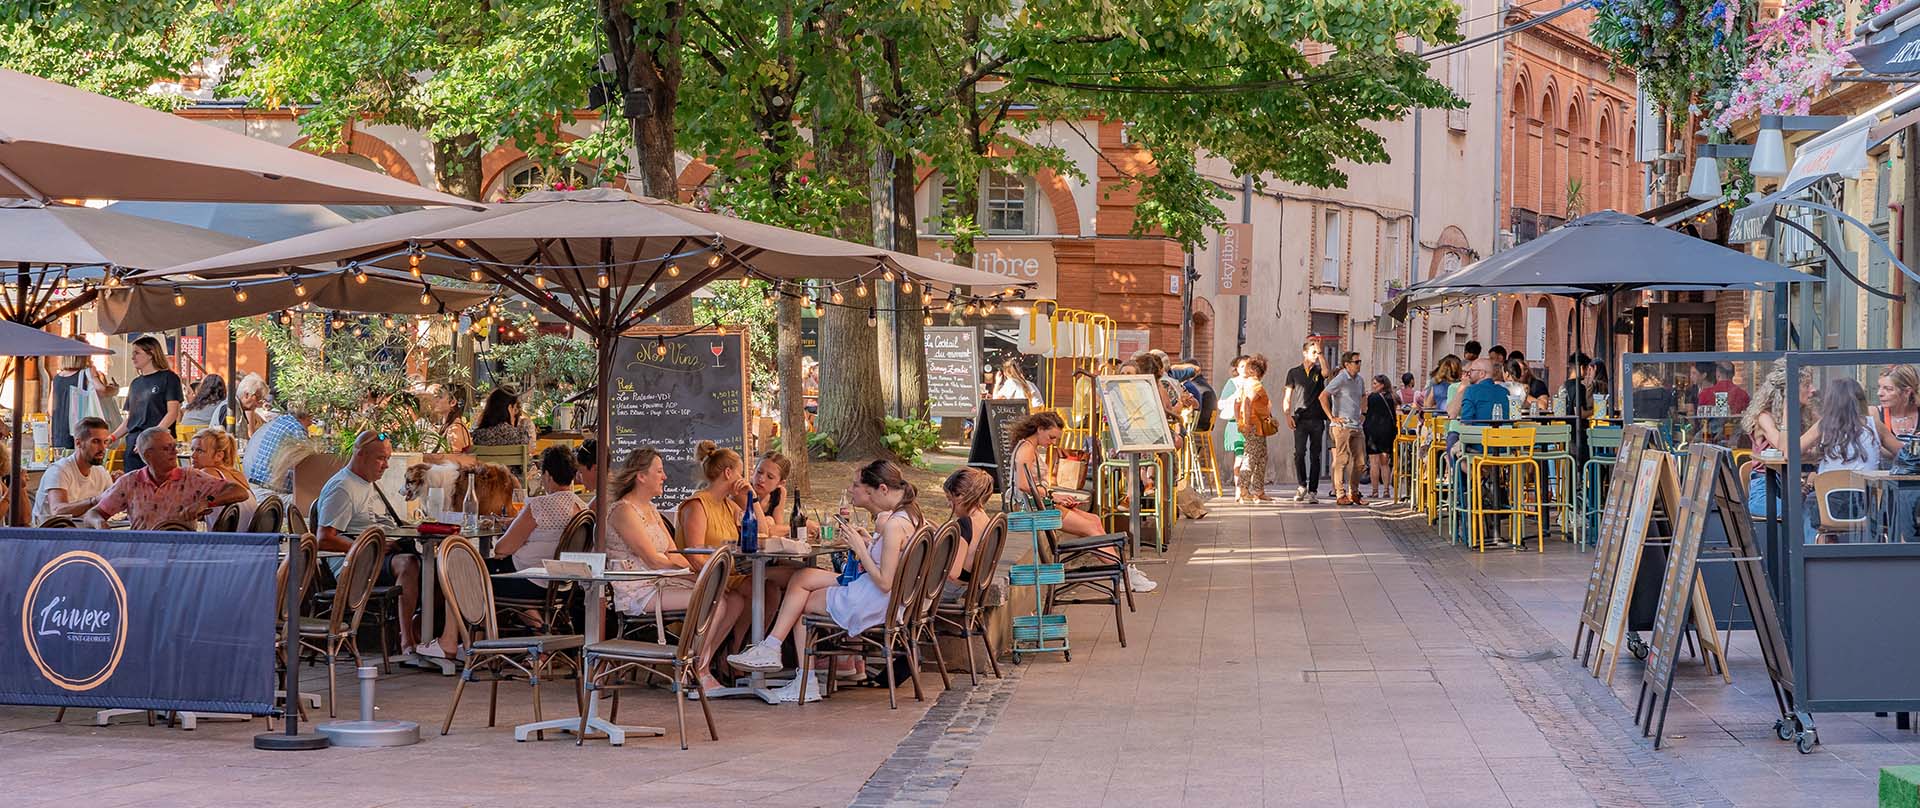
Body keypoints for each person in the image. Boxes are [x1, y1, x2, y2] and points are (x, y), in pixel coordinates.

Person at [725, 460, 923, 700]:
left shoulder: (894, 525)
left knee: (803, 604)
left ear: (882, 489)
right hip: (890, 598)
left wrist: (860, 549)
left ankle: (802, 678)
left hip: (876, 600)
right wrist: (871, 544)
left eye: (866, 491)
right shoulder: (912, 516)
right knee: (802, 576)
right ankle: (773, 650)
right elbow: (892, 561)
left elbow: (884, 581)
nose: (859, 494)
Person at [605, 446, 744, 698]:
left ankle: (699, 663)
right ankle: (696, 672)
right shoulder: (623, 511)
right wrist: (698, 572)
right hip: (639, 588)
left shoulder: (651, 510)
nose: (665, 476)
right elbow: (653, 559)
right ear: (641, 476)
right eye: (659, 471)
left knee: (733, 599)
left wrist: (702, 572)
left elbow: (673, 553)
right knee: (715, 601)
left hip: (662, 582)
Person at [1009, 410, 1158, 592]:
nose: (1052, 443)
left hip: (1041, 504)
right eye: (1051, 437)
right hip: (1034, 509)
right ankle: (1120, 572)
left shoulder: (1029, 447)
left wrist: (1054, 496)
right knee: (1089, 528)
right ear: (1039, 429)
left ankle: (1121, 568)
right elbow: (1023, 484)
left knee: (1094, 521)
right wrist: (1052, 495)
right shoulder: (1026, 449)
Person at [315, 432, 424, 655]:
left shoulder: (367, 483)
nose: (386, 465)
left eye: (388, 459)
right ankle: (407, 641)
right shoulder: (343, 488)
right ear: (361, 455)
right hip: (353, 564)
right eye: (381, 458)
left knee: (437, 565)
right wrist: (368, 546)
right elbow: (324, 538)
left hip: (374, 555)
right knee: (408, 564)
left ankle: (422, 630)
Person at [483, 446, 587, 607]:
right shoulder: (583, 508)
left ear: (547, 475)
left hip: (529, 581)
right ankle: (538, 625)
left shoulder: (540, 505)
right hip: (565, 585)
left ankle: (464, 631)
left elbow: (501, 549)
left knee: (471, 570)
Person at [85, 427, 248, 530]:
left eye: (174, 447)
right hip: (141, 554)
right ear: (149, 455)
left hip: (182, 554)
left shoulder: (191, 477)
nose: (174, 452)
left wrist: (206, 501)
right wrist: (100, 523)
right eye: (166, 448)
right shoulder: (129, 482)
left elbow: (239, 491)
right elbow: (94, 513)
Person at [109, 336, 183, 473]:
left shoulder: (169, 378)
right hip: (134, 442)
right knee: (134, 484)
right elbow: (131, 419)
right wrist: (112, 437)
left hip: (159, 443)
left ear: (151, 354)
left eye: (137, 353)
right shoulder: (135, 383)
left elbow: (172, 413)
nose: (133, 358)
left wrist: (151, 438)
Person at [33, 416, 113, 525]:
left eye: (105, 442)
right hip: (50, 535)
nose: (103, 448)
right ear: (78, 443)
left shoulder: (101, 472)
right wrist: (94, 500)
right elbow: (57, 510)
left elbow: (113, 501)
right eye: (96, 441)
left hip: (82, 533)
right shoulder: (59, 470)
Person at [1801, 377, 1890, 475]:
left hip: (1829, 488)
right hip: (1865, 488)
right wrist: (1876, 449)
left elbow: (1792, 451)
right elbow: (1902, 453)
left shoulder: (1824, 424)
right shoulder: (1873, 425)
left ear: (1831, 401)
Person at [677, 440, 746, 561]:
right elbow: (695, 557)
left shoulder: (730, 505)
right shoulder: (697, 505)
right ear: (728, 473)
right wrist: (722, 578)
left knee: (785, 573)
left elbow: (760, 534)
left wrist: (752, 497)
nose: (742, 479)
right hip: (707, 577)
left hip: (729, 573)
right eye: (740, 474)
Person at [1280, 340, 1328, 503]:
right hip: (1300, 419)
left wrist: (1321, 353)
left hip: (1317, 420)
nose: (1316, 356)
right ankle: (1302, 485)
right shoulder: (1294, 372)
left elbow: (1327, 373)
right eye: (1313, 353)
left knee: (1316, 455)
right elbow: (1287, 396)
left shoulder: (1319, 370)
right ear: (1305, 353)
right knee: (1299, 453)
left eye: (1317, 353)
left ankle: (1313, 491)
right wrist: (1287, 415)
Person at [938, 467, 994, 600]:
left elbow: (953, 573)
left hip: (952, 590)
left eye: (949, 498)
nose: (948, 505)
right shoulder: (986, 520)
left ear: (961, 497)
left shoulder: (965, 525)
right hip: (974, 585)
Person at [1319, 351, 1366, 506]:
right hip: (1342, 425)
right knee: (1342, 459)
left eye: (1360, 361)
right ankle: (1340, 493)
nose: (1359, 364)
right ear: (1347, 364)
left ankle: (1354, 492)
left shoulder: (1359, 380)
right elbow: (1323, 396)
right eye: (1356, 362)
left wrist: (1363, 413)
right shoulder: (1340, 378)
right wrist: (1332, 417)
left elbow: (1364, 396)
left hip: (1356, 425)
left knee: (1360, 462)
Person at [190, 427, 257, 529]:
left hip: (230, 541)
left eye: (199, 451)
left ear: (219, 456)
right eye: (192, 450)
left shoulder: (207, 472)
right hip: (249, 539)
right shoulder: (237, 474)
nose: (192, 455)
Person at [47, 356, 117, 451]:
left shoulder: (56, 379)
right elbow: (102, 390)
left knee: (63, 463)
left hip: (59, 434)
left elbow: (51, 410)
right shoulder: (86, 374)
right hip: (80, 432)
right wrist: (115, 389)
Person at [1233, 355, 1275, 504]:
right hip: (1255, 426)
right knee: (1250, 458)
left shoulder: (1245, 384)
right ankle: (1244, 490)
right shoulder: (1255, 385)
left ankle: (1258, 490)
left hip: (1256, 426)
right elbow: (1247, 402)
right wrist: (1246, 422)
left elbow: (1237, 403)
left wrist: (1240, 420)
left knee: (1261, 457)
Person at [243, 401, 313, 488]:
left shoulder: (280, 420)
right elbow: (307, 466)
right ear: (308, 417)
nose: (311, 424)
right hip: (268, 490)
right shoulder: (296, 429)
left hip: (252, 481)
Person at [749, 451, 807, 536]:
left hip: (765, 545)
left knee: (770, 520)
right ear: (753, 471)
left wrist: (775, 527)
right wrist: (800, 526)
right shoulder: (745, 491)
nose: (761, 479)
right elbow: (762, 530)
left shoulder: (779, 493)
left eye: (770, 477)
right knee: (769, 520)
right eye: (759, 472)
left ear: (780, 483)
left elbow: (777, 529)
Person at [1216, 356, 1248, 498]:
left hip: (1252, 424)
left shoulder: (1254, 383)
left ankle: (1245, 488)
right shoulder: (1232, 383)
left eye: (1248, 366)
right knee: (1240, 456)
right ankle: (1238, 488)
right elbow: (1221, 404)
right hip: (1236, 424)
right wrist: (1236, 394)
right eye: (1242, 366)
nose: (1245, 369)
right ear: (1237, 369)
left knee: (1250, 459)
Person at [1364, 375, 1398, 501]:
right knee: (1385, 463)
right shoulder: (1392, 397)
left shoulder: (1372, 397)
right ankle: (1386, 491)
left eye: (1375, 384)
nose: (1373, 386)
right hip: (1387, 431)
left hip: (1373, 431)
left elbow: (1365, 410)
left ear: (1382, 385)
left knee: (1374, 463)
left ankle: (1374, 491)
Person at [1875, 365, 1920, 450]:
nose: (1879, 393)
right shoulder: (1874, 414)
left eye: (1888, 389)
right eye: (1879, 387)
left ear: (1907, 392)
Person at [1451, 358, 1510, 423]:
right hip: (1504, 432)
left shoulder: (1471, 390)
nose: (1468, 374)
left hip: (1478, 432)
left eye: (1472, 370)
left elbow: (1466, 421)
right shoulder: (1505, 391)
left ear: (1482, 373)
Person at [424, 383, 471, 453]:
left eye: (440, 397)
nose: (436, 400)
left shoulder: (455, 429)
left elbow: (455, 459)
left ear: (453, 402)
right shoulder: (449, 426)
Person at [233, 372, 275, 438]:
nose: (258, 404)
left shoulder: (240, 408)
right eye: (258, 398)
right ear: (247, 394)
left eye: (262, 399)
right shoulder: (231, 409)